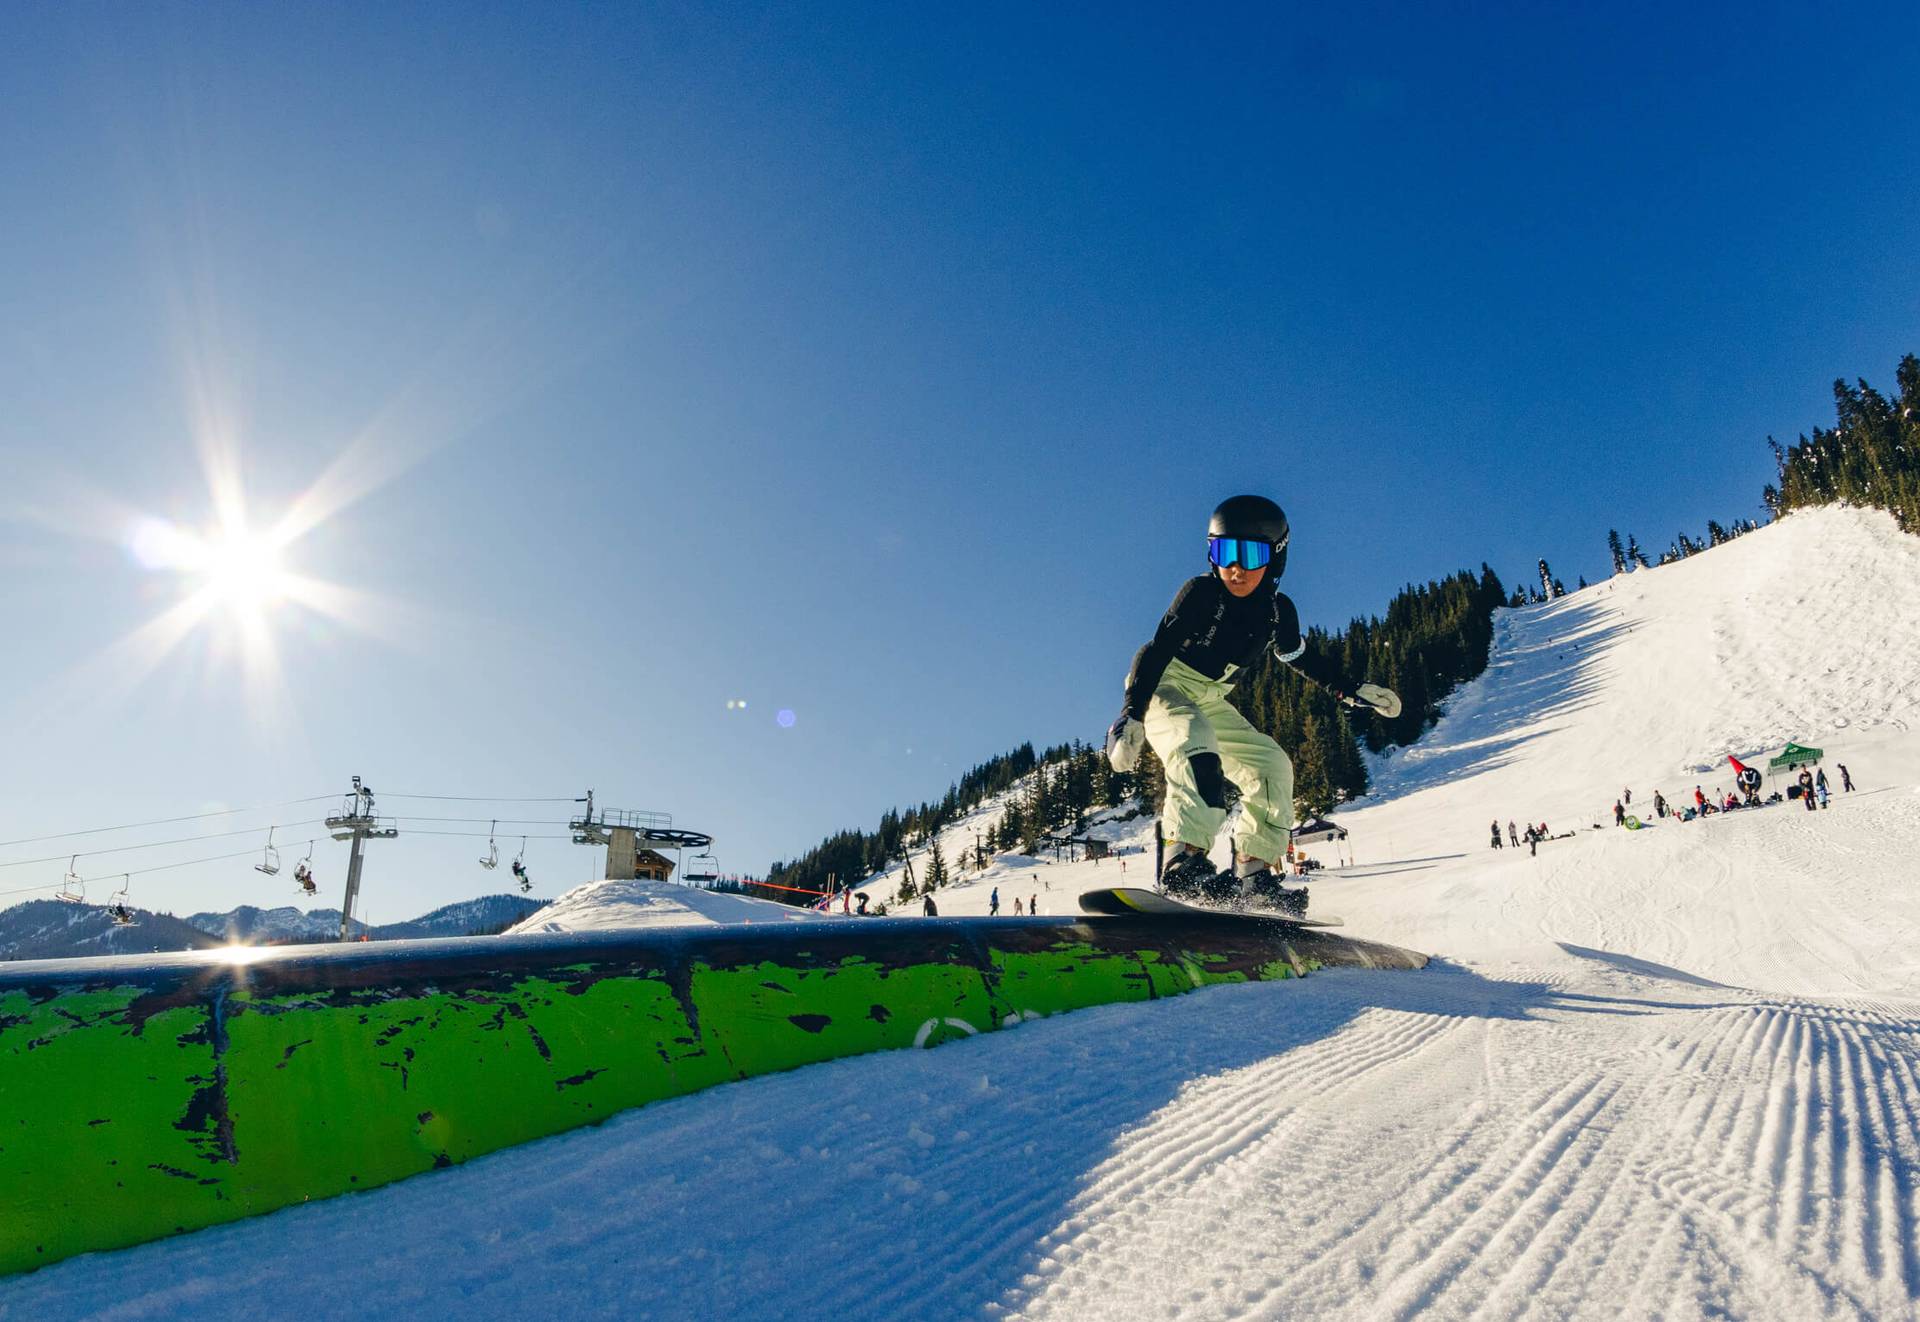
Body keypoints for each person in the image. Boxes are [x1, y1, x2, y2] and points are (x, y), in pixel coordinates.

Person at [1106, 496, 1400, 917]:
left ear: (1276, 557)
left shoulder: (1278, 613)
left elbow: (1298, 656)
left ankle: (1252, 874)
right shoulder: (1200, 595)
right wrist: (1131, 713)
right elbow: (1155, 650)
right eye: (1224, 552)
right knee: (1196, 745)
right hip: (1163, 688)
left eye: (1250, 554)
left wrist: (1351, 689)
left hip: (1209, 698)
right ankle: (1182, 863)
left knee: (1270, 766)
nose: (1236, 568)